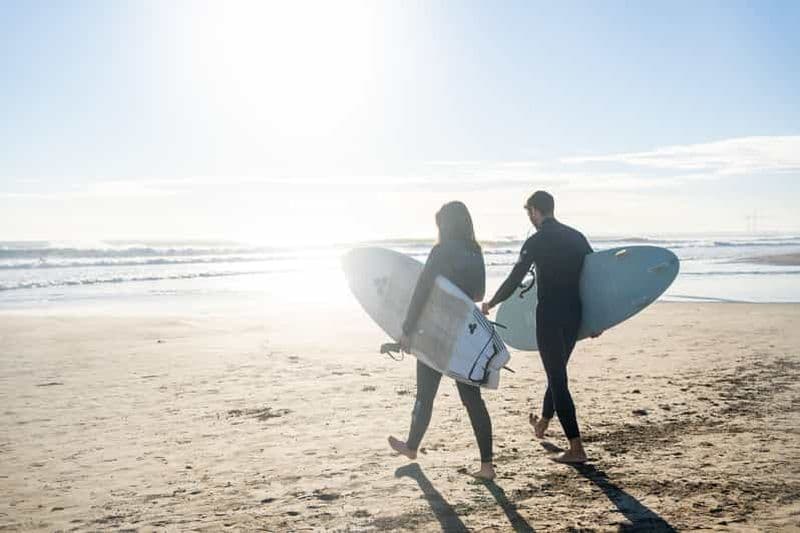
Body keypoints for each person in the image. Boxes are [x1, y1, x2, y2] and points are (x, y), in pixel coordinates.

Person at [482, 190, 595, 464]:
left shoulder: (536, 241)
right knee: (557, 373)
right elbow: (594, 277)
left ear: (534, 211)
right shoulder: (576, 237)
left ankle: (576, 448)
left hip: (550, 316)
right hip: (574, 315)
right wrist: (596, 319)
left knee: (557, 378)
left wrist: (492, 302)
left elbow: (515, 278)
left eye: (529, 213)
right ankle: (543, 422)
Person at [388, 201, 496, 480]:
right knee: (473, 400)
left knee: (425, 394)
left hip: (435, 331)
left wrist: (407, 329)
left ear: (445, 225)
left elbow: (422, 290)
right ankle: (487, 466)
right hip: (465, 334)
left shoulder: (441, 251)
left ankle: (412, 447)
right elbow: (479, 293)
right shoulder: (475, 252)